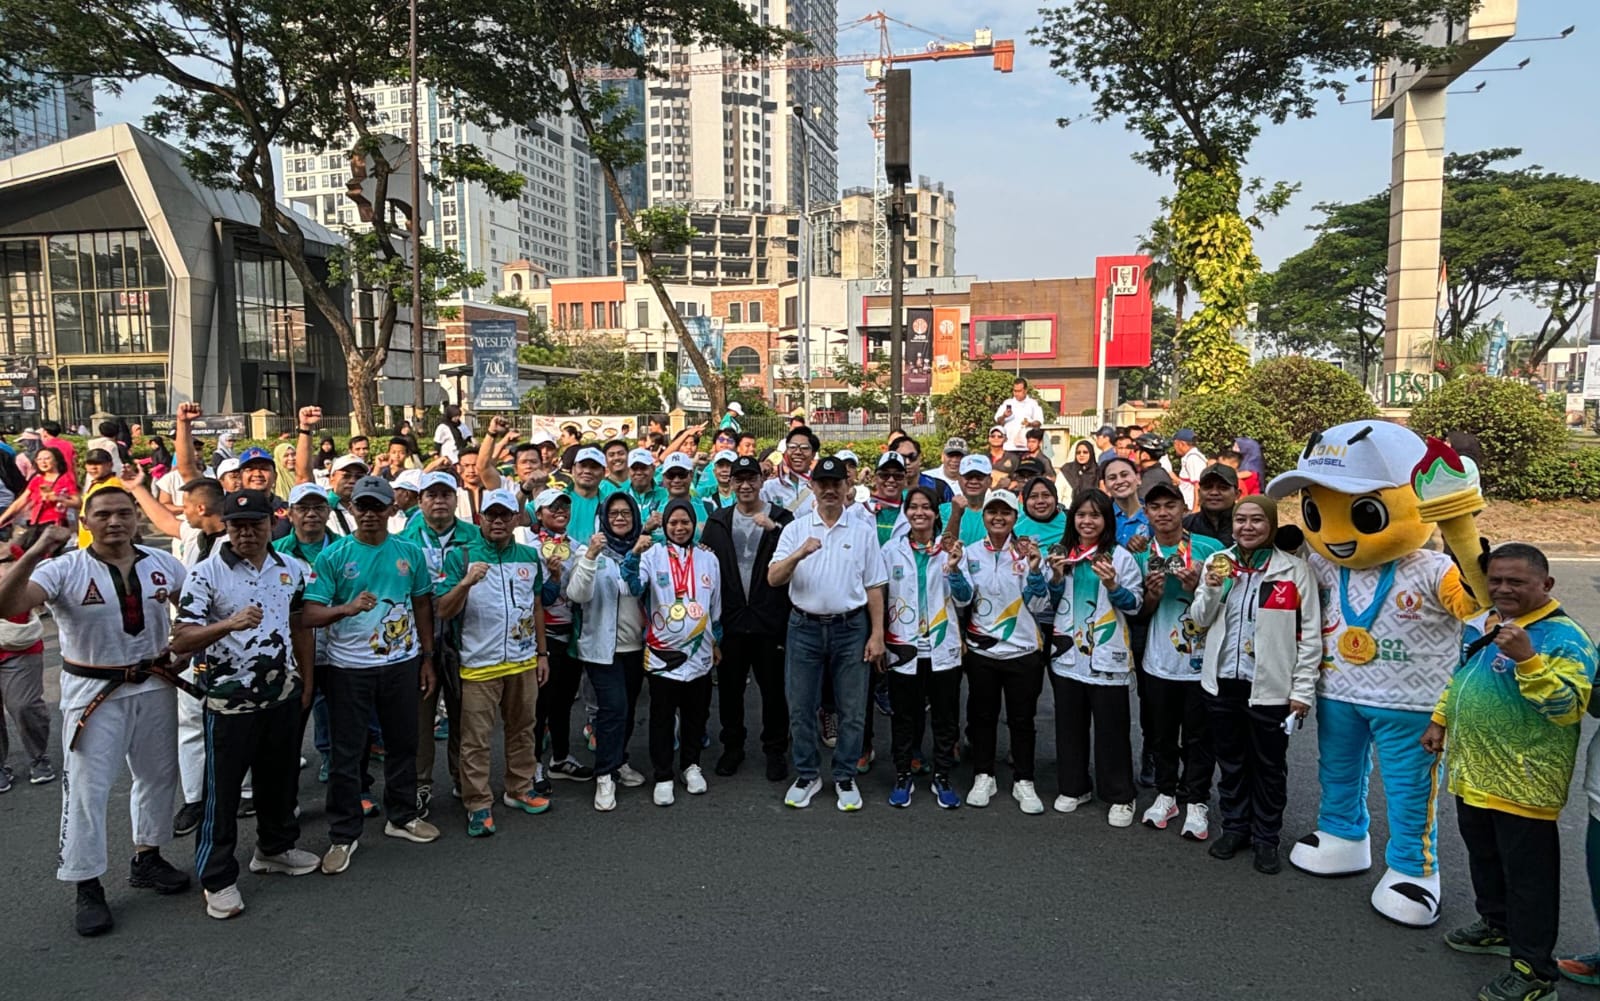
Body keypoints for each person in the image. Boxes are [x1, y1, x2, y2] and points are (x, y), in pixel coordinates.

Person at [0, 491, 190, 936]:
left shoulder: (163, 565)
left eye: (124, 513)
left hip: (154, 683)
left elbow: (192, 609)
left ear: (136, 517)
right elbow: (7, 605)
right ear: (86, 521)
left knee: (158, 776)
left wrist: (185, 646)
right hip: (93, 692)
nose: (115, 522)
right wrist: (37, 547)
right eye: (102, 515)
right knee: (88, 788)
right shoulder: (64, 568)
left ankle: (148, 856)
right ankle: (86, 882)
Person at [1426, 544, 1597, 1001]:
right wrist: (1440, 720)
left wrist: (1528, 659)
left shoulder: (1565, 638)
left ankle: (1534, 971)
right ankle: (1497, 926)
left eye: (1516, 582)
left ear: (1546, 585)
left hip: (1525, 783)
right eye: (1496, 581)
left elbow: (1565, 708)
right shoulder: (1492, 624)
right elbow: (1464, 677)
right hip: (1474, 774)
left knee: (1529, 883)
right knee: (1485, 859)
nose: (1503, 589)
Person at [171, 489, 319, 919]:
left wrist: (306, 680)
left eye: (255, 523)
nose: (247, 533)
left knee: (280, 779)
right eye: (237, 525)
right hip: (228, 700)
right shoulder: (205, 574)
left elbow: (298, 624)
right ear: (225, 527)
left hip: (282, 694)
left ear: (272, 524)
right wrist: (228, 624)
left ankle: (274, 849)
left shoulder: (291, 567)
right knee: (224, 793)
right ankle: (217, 878)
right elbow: (181, 639)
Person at [302, 475, 441, 874]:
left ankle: (402, 817)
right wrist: (345, 609)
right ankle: (344, 835)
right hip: (349, 669)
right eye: (362, 506)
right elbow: (310, 613)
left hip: (401, 664)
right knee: (348, 755)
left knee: (403, 744)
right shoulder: (333, 556)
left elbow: (422, 606)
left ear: (391, 510)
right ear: (351, 508)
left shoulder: (409, 553)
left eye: (377, 506)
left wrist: (427, 658)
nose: (369, 514)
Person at [1190, 496, 1320, 875]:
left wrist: (1301, 691)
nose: (1247, 527)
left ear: (1272, 526)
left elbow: (1309, 636)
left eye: (1257, 520)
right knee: (1231, 763)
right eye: (1241, 520)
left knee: (1268, 766)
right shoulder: (1219, 564)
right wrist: (1212, 587)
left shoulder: (1294, 571)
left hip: (1271, 688)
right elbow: (1199, 619)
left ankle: (1266, 838)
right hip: (1223, 683)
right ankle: (1235, 828)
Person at [768, 455, 885, 812]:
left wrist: (877, 634)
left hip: (851, 627)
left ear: (848, 487)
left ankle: (845, 774)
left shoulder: (863, 531)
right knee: (801, 706)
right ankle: (807, 774)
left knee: (852, 709)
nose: (830, 490)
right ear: (812, 487)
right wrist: (799, 554)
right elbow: (774, 578)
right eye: (823, 484)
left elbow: (875, 587)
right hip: (803, 626)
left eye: (837, 484)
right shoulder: (795, 530)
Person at [434, 488, 552, 837]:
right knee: (475, 739)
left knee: (523, 729)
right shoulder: (462, 556)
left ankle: (519, 788)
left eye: (505, 515)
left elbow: (536, 608)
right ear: (480, 519)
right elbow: (443, 609)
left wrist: (542, 654)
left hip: (522, 661)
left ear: (517, 519)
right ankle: (478, 803)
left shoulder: (530, 556)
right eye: (491, 515)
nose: (498, 521)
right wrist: (467, 582)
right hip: (477, 665)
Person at [1044, 488, 1142, 825]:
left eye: (1095, 515)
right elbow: (1045, 604)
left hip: (1107, 656)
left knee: (1112, 729)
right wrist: (1055, 577)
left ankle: (1120, 796)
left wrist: (1115, 585)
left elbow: (1135, 605)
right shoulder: (1061, 555)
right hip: (1067, 654)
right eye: (1081, 515)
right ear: (1073, 518)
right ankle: (1074, 787)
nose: (1087, 521)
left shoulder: (1121, 558)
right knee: (1069, 726)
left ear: (1106, 520)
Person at [1132, 481, 1223, 839]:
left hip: (1202, 663)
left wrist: (1200, 585)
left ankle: (1197, 800)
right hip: (1159, 661)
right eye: (1155, 507)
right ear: (1147, 513)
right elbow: (1136, 611)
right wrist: (1152, 597)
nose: (1163, 513)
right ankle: (1166, 794)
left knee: (1200, 738)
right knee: (1162, 734)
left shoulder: (1214, 550)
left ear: (1184, 508)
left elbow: (1227, 595)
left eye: (1170, 505)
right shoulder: (1139, 553)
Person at [701, 456, 794, 781]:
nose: (744, 485)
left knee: (773, 691)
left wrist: (776, 530)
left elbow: (796, 554)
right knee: (729, 690)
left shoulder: (782, 519)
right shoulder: (718, 521)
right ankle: (733, 747)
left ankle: (776, 749)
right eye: (738, 479)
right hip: (731, 622)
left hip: (770, 622)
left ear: (761, 480)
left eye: (751, 478)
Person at [960, 489, 1050, 813]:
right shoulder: (970, 553)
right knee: (982, 716)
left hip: (1023, 650)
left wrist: (1036, 569)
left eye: (1006, 512)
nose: (998, 518)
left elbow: (1040, 604)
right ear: (983, 516)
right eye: (992, 512)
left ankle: (1024, 780)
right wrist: (956, 570)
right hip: (982, 649)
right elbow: (961, 600)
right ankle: (984, 775)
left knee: (1022, 719)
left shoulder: (1027, 554)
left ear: (1015, 517)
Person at [630, 499, 722, 806]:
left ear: (694, 524)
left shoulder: (709, 558)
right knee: (662, 716)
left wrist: (716, 640)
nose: (679, 528)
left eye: (685, 522)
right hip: (663, 653)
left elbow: (716, 605)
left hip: (700, 653)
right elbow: (633, 588)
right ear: (665, 525)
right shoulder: (652, 554)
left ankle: (691, 766)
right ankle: (663, 774)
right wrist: (633, 556)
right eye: (673, 523)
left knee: (697, 714)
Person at [397, 470, 480, 813]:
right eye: (431, 495)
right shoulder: (405, 538)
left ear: (455, 499)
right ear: (420, 501)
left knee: (464, 716)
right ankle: (420, 784)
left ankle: (463, 780)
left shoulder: (474, 536)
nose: (439, 501)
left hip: (465, 637)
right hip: (419, 640)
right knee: (420, 718)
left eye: (446, 494)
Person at [879, 486, 966, 809]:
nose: (919, 513)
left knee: (945, 717)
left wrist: (955, 570)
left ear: (935, 513)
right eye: (913, 507)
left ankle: (942, 775)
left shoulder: (951, 550)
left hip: (943, 648)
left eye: (926, 507)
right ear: (906, 512)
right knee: (904, 716)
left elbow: (965, 598)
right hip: (904, 647)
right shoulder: (890, 551)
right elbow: (880, 595)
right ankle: (903, 774)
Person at [566, 492, 650, 810]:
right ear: (603, 518)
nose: (619, 518)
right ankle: (604, 775)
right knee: (612, 708)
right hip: (601, 649)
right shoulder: (591, 553)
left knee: (627, 710)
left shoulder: (645, 550)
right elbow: (577, 593)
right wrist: (589, 557)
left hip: (636, 647)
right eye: (612, 513)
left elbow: (642, 590)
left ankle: (619, 760)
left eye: (625, 513)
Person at [523, 488, 592, 792]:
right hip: (543, 636)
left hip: (571, 634)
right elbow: (538, 598)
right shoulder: (528, 547)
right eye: (552, 507)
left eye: (564, 505)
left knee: (564, 701)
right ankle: (533, 765)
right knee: (541, 704)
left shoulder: (577, 547)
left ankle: (560, 758)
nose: (560, 510)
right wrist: (552, 578)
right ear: (538, 513)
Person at [274, 483, 335, 782]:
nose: (311, 514)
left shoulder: (343, 547)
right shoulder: (275, 553)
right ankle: (284, 786)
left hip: (336, 648)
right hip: (291, 653)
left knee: (334, 714)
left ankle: (330, 760)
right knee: (291, 718)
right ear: (290, 513)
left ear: (328, 511)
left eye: (318, 508)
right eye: (303, 508)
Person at [0, 544, 51, 790]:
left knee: (24, 706)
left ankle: (38, 757)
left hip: (18, 645)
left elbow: (30, 577)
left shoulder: (11, 551)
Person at [0, 445, 76, 550]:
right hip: (35, 524)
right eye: (39, 459)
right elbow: (21, 501)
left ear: (56, 461)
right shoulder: (37, 479)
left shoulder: (65, 480)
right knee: (18, 550)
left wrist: (58, 498)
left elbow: (78, 502)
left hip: (55, 526)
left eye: (47, 458)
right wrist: (2, 519)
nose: (43, 462)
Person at [940, 455, 997, 546]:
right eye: (968, 477)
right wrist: (955, 515)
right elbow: (945, 548)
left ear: (989, 481)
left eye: (979, 477)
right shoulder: (943, 510)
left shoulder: (1000, 512)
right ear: (959, 479)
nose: (973, 481)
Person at [762, 425, 818, 513]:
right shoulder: (769, 488)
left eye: (804, 448)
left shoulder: (821, 488)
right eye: (792, 447)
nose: (798, 452)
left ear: (813, 454)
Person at [1100, 456, 1150, 550]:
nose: (1119, 481)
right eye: (1112, 478)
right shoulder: (1102, 519)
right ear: (1105, 486)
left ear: (1138, 478)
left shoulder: (1153, 516)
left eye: (1124, 475)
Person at [1184, 464, 1240, 548]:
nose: (1214, 492)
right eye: (1207, 487)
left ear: (1237, 494)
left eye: (1223, 488)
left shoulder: (1247, 526)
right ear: (1199, 493)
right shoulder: (1186, 526)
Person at [994, 378, 1044, 461]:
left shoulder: (1032, 403)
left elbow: (1039, 422)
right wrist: (1004, 416)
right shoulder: (1007, 403)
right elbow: (998, 421)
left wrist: (1030, 424)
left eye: (1019, 391)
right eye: (1014, 391)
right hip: (1009, 447)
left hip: (1026, 448)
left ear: (1025, 390)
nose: (1016, 394)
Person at [1172, 429, 1207, 511]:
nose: (1174, 447)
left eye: (1175, 444)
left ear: (1181, 444)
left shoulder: (1193, 459)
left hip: (1191, 507)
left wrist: (1195, 510)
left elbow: (1198, 486)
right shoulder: (1189, 457)